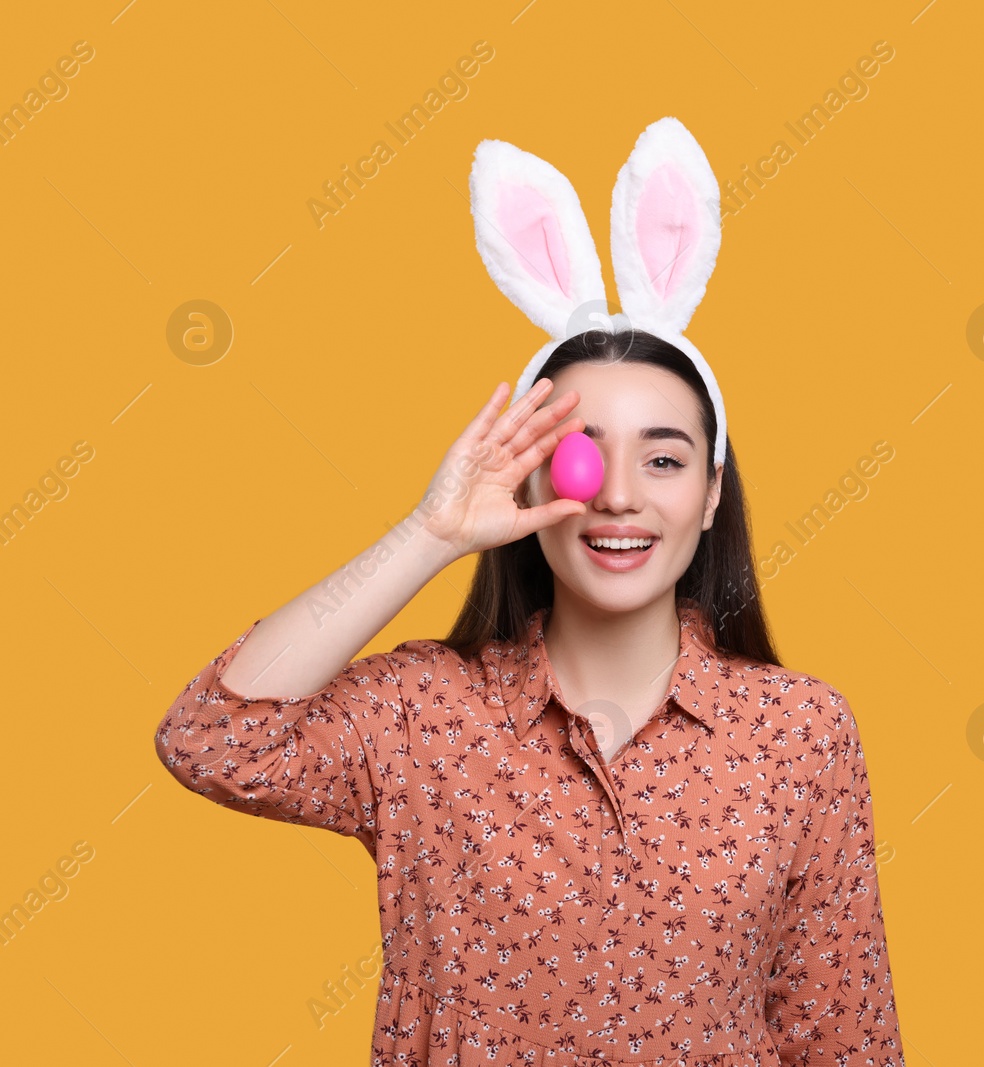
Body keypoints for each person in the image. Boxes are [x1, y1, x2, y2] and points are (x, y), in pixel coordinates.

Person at [152, 329, 904, 1066]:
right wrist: (431, 533)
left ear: (710, 494)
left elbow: (842, 1031)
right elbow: (212, 737)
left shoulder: (800, 730)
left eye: (664, 459)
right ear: (532, 480)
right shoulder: (425, 710)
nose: (616, 494)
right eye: (582, 454)